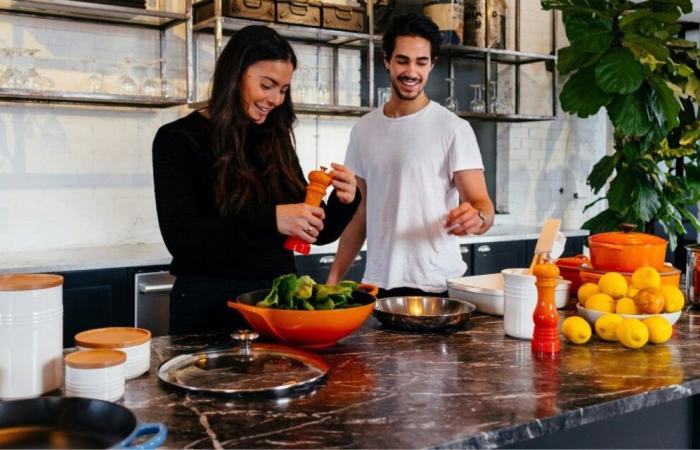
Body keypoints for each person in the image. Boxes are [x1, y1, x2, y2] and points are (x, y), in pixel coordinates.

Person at [152, 25, 360, 334]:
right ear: (235, 75)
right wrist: (272, 219)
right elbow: (181, 239)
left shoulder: (275, 139)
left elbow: (312, 232)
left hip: (276, 306)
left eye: (284, 89)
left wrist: (344, 201)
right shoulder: (177, 139)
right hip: (207, 310)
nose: (276, 99)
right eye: (267, 85)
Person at [327, 13, 494, 297]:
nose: (411, 71)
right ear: (387, 61)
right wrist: (333, 279)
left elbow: (483, 206)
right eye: (402, 60)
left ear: (432, 65)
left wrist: (477, 219)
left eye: (421, 62)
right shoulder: (364, 129)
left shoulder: (453, 128)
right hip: (379, 285)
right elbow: (360, 212)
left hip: (437, 285)